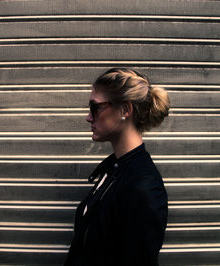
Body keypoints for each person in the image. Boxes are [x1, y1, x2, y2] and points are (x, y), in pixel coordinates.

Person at [65, 68, 170, 266]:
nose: (88, 117)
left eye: (95, 108)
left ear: (125, 110)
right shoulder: (116, 169)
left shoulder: (143, 187)